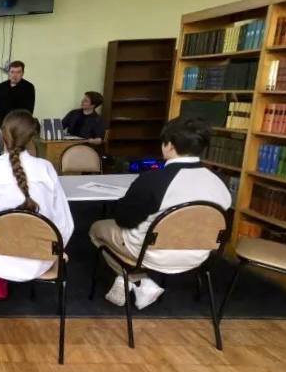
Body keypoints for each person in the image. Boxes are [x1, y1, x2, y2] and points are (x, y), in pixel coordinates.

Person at [89, 116, 231, 310]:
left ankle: (138, 280)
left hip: (151, 254)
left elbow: (124, 220)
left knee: (96, 228)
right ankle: (137, 282)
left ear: (169, 146)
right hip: (199, 256)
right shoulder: (220, 182)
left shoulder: (153, 180)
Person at [0, 110, 74, 299]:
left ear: (1, 135)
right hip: (42, 260)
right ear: (32, 138)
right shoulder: (47, 169)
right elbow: (64, 223)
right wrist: (56, 249)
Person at [0, 60, 35, 160]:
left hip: (19, 131)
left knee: (19, 159)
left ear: (22, 73)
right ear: (8, 73)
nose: (14, 75)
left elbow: (28, 111)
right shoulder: (0, 87)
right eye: (12, 72)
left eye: (18, 72)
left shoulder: (28, 88)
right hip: (0, 129)